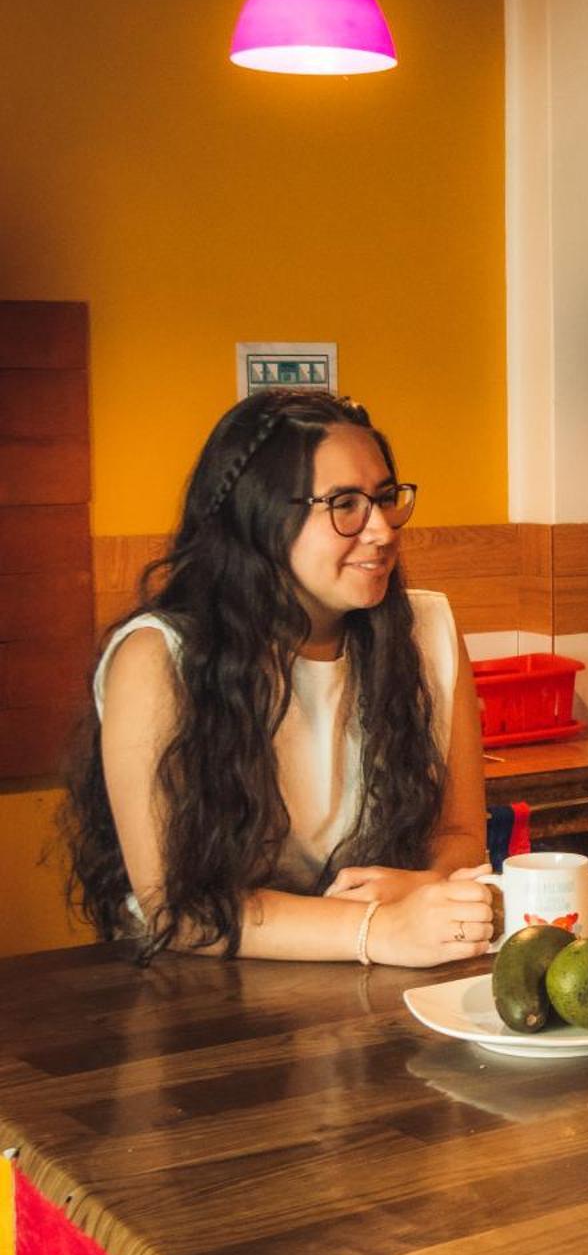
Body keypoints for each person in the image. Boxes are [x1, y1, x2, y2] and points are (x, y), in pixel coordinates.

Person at [64, 388, 495, 967]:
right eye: (345, 504)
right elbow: (178, 906)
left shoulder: (428, 628)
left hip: (380, 980)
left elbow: (462, 834)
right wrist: (374, 928)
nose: (383, 530)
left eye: (386, 498)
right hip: (194, 990)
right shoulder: (158, 657)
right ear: (261, 518)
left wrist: (417, 885)